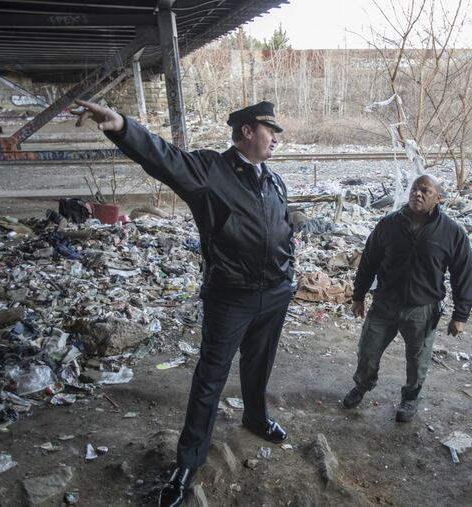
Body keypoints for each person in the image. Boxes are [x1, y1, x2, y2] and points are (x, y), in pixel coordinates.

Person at [74, 99, 294, 507]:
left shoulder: (274, 181)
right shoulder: (210, 171)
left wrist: (288, 272)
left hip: (275, 293)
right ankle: (188, 462)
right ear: (247, 131)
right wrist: (122, 126)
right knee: (210, 378)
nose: (276, 138)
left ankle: (256, 416)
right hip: (231, 297)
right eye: (270, 130)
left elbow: (282, 227)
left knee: (259, 362)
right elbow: (163, 159)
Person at [341, 174, 472, 422]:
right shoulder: (389, 224)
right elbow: (368, 261)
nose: (417, 194)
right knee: (367, 352)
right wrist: (358, 296)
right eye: (415, 189)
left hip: (422, 309)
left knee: (417, 360)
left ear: (438, 198)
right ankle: (362, 385)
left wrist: (460, 315)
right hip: (385, 303)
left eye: (425, 191)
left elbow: (462, 274)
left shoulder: (451, 232)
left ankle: (410, 399)